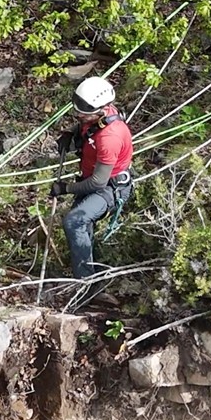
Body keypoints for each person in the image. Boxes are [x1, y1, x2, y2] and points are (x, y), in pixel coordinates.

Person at [49, 75, 134, 278]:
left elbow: (98, 182)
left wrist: (65, 189)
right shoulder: (96, 117)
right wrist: (71, 134)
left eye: (83, 114)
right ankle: (92, 275)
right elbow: (86, 126)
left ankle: (85, 283)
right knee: (81, 226)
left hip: (108, 188)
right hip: (91, 179)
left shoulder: (110, 138)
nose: (78, 115)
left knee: (74, 221)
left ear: (100, 111)